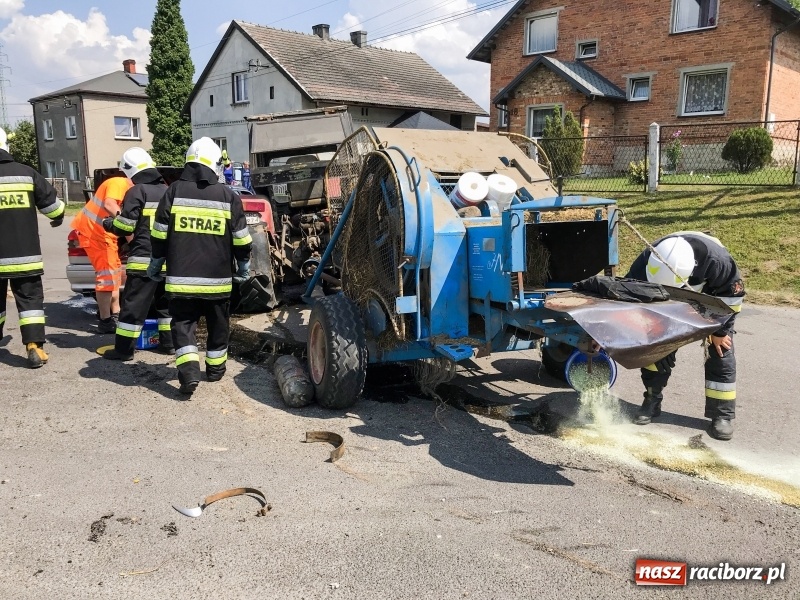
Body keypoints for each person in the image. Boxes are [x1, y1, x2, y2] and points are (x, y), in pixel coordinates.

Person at [149, 137, 252, 395]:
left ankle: (189, 373)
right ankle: (215, 371)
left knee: (183, 326)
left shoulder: (172, 192)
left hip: (180, 281)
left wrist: (156, 261)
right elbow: (241, 239)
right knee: (219, 326)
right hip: (218, 282)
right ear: (213, 164)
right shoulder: (228, 196)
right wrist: (244, 265)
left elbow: (159, 233)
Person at [626, 232, 745, 441]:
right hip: (668, 303)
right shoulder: (648, 259)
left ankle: (721, 416)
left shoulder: (717, 261)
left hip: (711, 301)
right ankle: (652, 399)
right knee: (654, 348)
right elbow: (626, 294)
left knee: (721, 350)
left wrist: (719, 332)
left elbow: (732, 299)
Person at [0, 126, 65, 368]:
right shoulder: (26, 174)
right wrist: (57, 217)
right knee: (29, 302)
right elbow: (55, 209)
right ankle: (34, 346)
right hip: (24, 257)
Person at [101, 147, 173, 361]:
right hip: (169, 262)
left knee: (132, 308)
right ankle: (168, 345)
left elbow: (126, 226)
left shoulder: (137, 191)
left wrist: (109, 224)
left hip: (143, 261)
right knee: (165, 307)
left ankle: (124, 350)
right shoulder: (168, 191)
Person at [70, 169, 132, 333]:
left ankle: (116, 315)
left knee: (114, 275)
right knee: (106, 277)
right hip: (95, 234)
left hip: (105, 235)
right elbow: (109, 205)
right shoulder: (119, 183)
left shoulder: (127, 188)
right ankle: (105, 321)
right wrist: (132, 233)